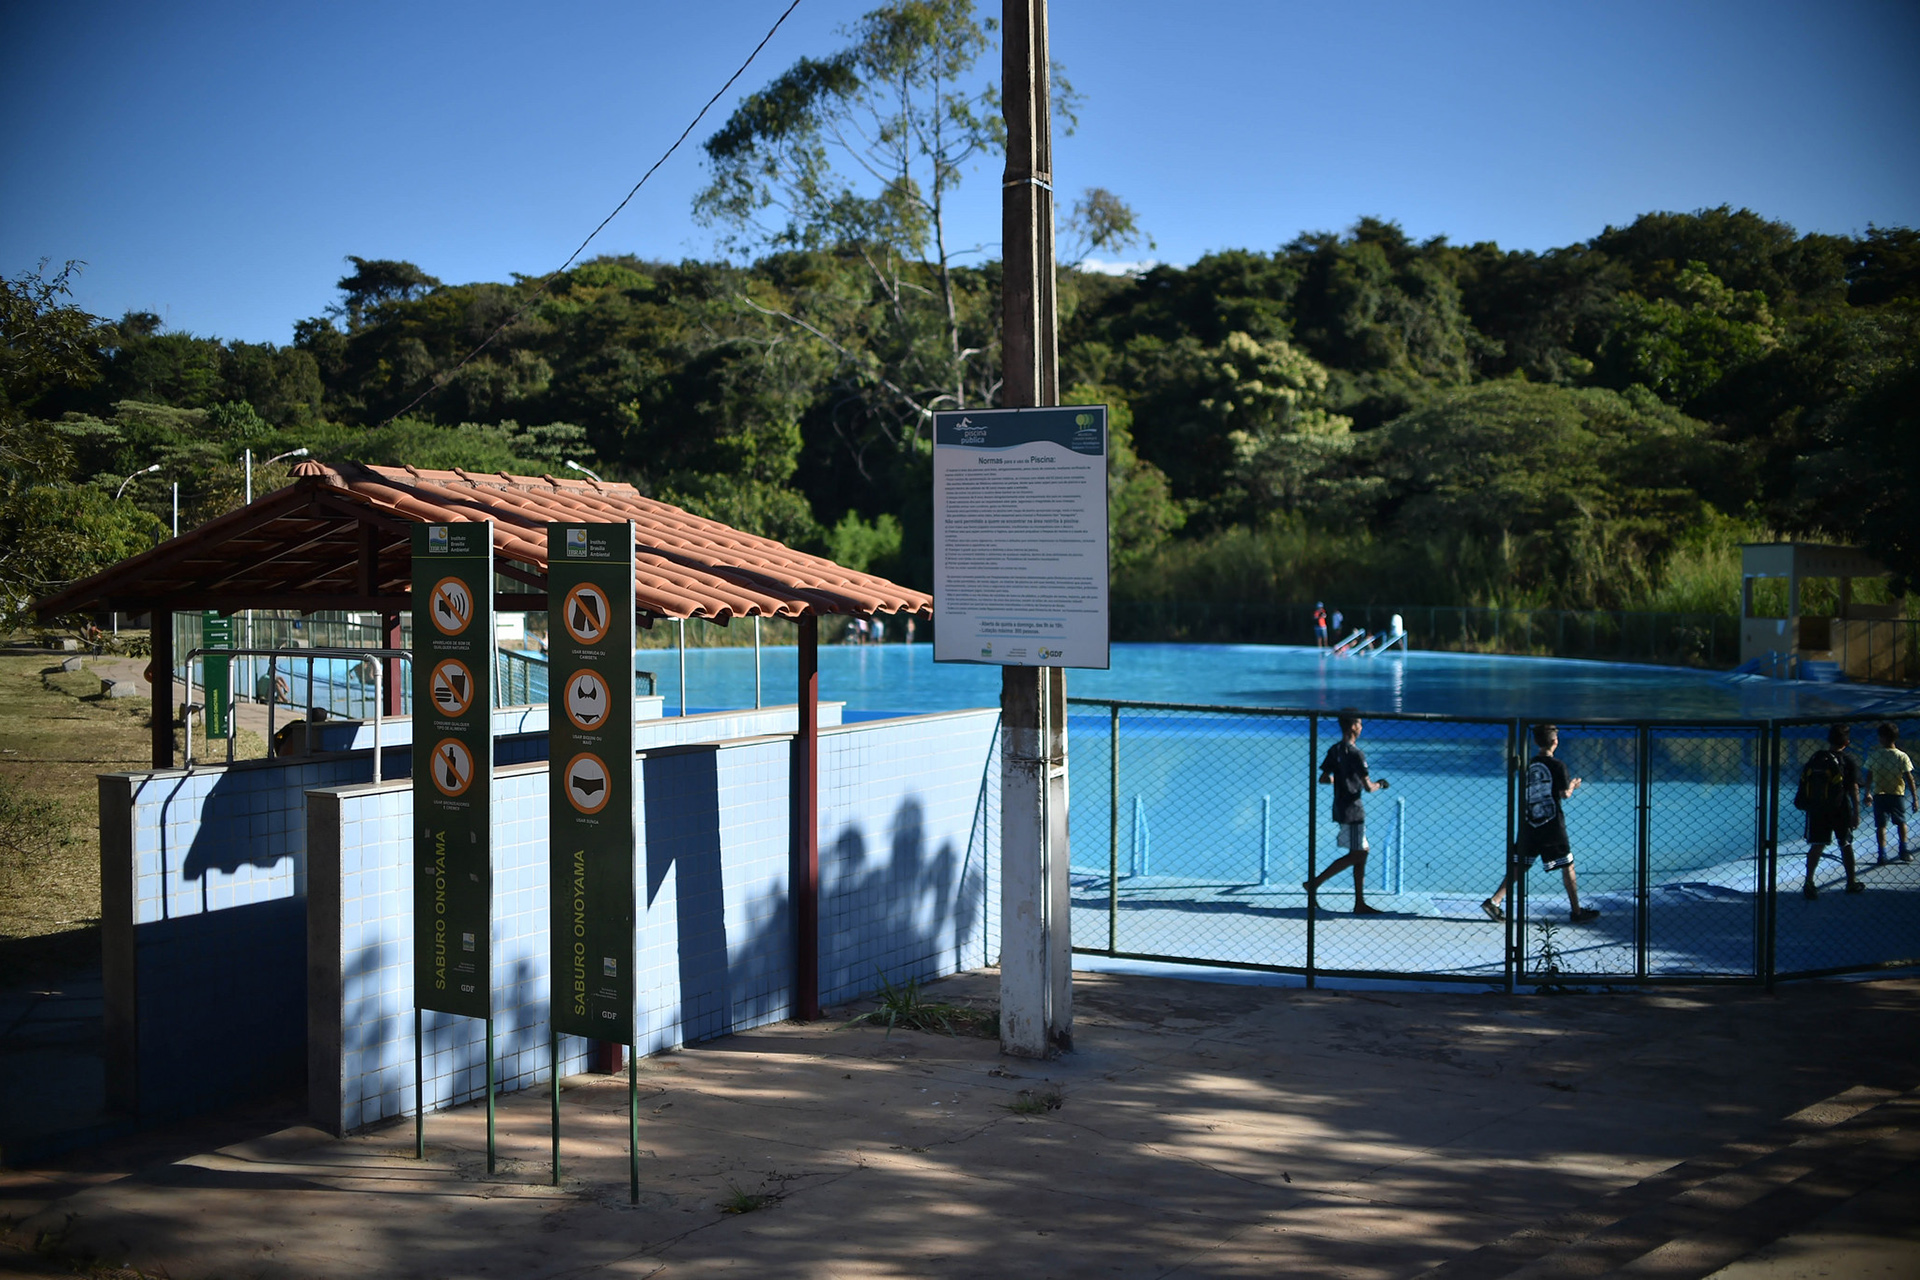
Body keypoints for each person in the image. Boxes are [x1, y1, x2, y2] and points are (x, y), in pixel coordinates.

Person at [1482, 724, 1599, 924]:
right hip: (1552, 824)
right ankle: (1577, 911)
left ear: (1536, 742)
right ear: (1555, 742)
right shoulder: (1558, 766)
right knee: (1567, 865)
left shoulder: (1529, 766)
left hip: (1530, 823)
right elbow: (1564, 794)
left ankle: (1495, 901)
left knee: (1520, 865)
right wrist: (1573, 785)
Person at [1304, 709, 1388, 914]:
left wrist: (1339, 780)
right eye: (1359, 723)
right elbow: (1368, 787)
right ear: (1353, 727)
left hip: (1339, 806)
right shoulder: (1357, 754)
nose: (1361, 727)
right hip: (1354, 809)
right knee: (1360, 853)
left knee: (1359, 854)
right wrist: (1381, 784)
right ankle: (1315, 883)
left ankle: (1359, 902)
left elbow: (1324, 778)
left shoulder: (1335, 750)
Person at [1795, 723, 1862, 898]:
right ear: (1846, 742)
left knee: (1817, 845)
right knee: (1845, 844)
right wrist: (1856, 812)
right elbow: (1853, 788)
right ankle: (1851, 882)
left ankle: (1809, 881)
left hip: (1818, 809)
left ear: (1829, 740)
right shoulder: (1847, 761)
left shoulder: (1817, 758)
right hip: (1840, 809)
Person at [1865, 721, 1916, 864]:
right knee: (1901, 822)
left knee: (1881, 826)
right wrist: (1914, 798)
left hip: (1879, 794)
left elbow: (1868, 775)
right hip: (1897, 793)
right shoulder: (1902, 756)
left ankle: (1882, 853)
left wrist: (1867, 792)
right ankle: (1904, 850)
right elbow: (1909, 778)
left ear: (1882, 738)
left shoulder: (1875, 755)